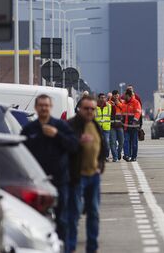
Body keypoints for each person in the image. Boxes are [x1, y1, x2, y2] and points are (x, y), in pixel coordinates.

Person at [21, 94, 78, 246]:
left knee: (62, 219)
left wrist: (57, 135)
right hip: (36, 182)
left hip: (59, 180)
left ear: (51, 107)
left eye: (46, 105)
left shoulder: (60, 126)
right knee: (34, 218)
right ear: (36, 108)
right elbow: (22, 153)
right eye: (41, 105)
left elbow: (74, 146)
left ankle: (62, 247)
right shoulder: (29, 129)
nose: (44, 108)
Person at [67, 95, 106, 253]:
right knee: (74, 214)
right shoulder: (71, 125)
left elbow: (103, 149)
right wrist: (78, 142)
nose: (90, 111)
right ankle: (70, 248)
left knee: (94, 213)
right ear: (80, 109)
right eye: (86, 108)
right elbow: (65, 147)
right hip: (77, 177)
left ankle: (92, 248)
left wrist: (100, 166)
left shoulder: (96, 125)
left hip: (94, 177)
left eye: (92, 109)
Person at [121, 89, 142, 162]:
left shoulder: (136, 102)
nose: (124, 97)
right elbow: (122, 113)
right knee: (126, 141)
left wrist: (134, 120)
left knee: (134, 143)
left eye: (125, 95)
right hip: (126, 127)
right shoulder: (124, 103)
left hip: (134, 127)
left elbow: (138, 112)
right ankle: (127, 155)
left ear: (129, 96)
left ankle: (134, 156)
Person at [95, 93, 112, 162]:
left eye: (104, 97)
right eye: (101, 98)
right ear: (98, 98)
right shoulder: (94, 106)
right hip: (97, 127)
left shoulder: (109, 106)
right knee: (97, 143)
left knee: (106, 142)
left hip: (106, 127)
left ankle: (106, 156)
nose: (103, 99)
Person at [108, 90, 124, 162]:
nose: (116, 97)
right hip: (112, 126)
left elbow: (124, 109)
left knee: (121, 142)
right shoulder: (108, 103)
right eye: (115, 96)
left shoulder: (121, 102)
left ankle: (118, 153)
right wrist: (112, 105)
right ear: (112, 96)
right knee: (113, 142)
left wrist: (118, 104)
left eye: (117, 95)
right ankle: (115, 157)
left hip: (120, 125)